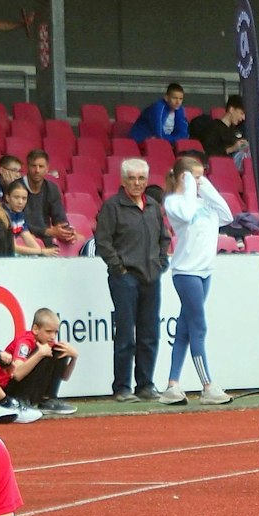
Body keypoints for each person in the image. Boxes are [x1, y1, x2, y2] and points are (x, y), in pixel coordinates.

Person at [159, 158, 234, 405]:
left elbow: (227, 215)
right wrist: (190, 184)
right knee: (199, 327)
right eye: (195, 177)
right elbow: (188, 213)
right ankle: (207, 386)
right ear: (184, 178)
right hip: (186, 271)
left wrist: (205, 185)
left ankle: (172, 385)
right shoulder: (174, 202)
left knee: (184, 329)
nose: (200, 181)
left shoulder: (204, 202)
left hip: (204, 271)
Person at [94, 159, 170, 402]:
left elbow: (164, 238)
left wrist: (161, 262)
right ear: (123, 180)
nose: (137, 183)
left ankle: (145, 384)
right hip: (125, 278)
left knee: (150, 333)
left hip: (151, 277)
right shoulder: (112, 206)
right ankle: (122, 387)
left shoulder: (153, 206)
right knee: (126, 334)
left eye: (141, 179)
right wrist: (119, 268)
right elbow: (103, 242)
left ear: (147, 181)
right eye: (132, 178)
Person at [1, 307, 78, 415]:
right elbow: (17, 374)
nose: (53, 336)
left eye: (55, 332)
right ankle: (21, 400)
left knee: (60, 351)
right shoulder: (26, 342)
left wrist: (74, 358)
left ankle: (48, 400)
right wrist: (40, 354)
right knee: (42, 353)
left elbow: (64, 377)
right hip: (8, 389)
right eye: (48, 332)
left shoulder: (49, 344)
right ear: (36, 329)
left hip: (29, 387)